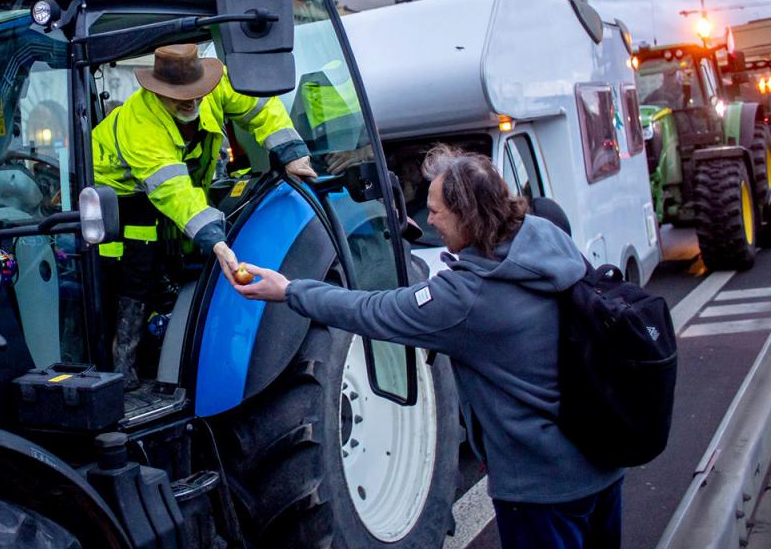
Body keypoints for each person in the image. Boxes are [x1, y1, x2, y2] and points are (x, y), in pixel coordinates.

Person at [230, 145, 624, 549]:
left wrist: (289, 289)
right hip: (600, 462)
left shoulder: (466, 298)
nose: (428, 219)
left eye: (436, 210)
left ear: (468, 214)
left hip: (541, 489)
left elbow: (371, 309)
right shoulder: (543, 237)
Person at [93, 44, 316, 388]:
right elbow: (174, 191)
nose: (190, 100)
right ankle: (124, 363)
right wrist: (215, 240)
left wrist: (291, 153)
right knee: (138, 267)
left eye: (195, 92)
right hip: (115, 195)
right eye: (178, 95)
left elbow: (261, 108)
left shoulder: (216, 84)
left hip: (169, 189)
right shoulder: (142, 125)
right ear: (156, 90)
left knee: (179, 253)